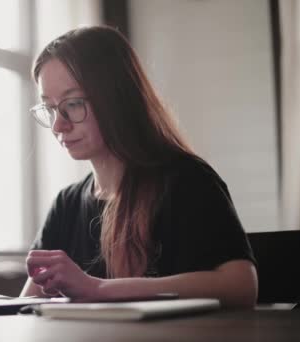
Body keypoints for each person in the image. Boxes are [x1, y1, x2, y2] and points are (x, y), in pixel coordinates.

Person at [20, 26, 258, 309]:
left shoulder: (186, 181)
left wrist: (98, 288)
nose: (59, 125)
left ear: (116, 100)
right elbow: (25, 308)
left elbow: (241, 286)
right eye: (49, 108)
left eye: (73, 104)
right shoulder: (66, 205)